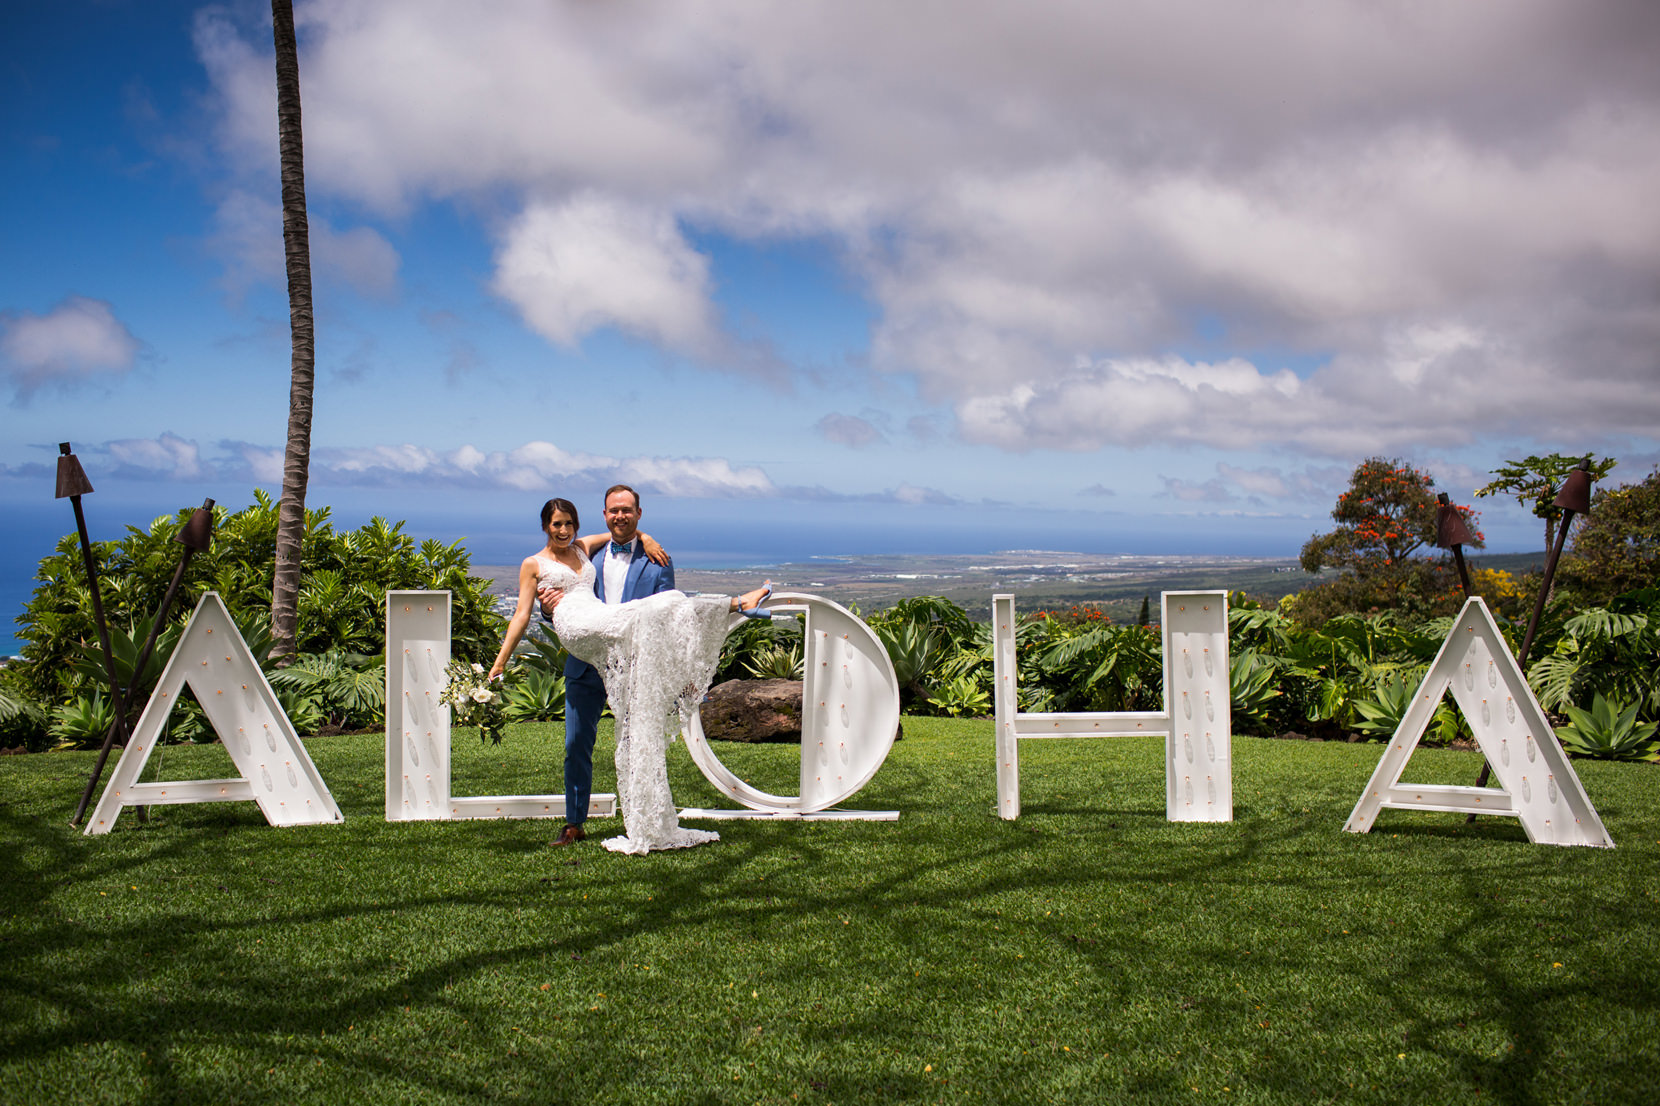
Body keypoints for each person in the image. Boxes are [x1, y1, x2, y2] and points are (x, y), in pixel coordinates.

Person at [489, 488, 770, 854]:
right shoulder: (583, 552)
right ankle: (574, 824)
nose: (564, 530)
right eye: (557, 524)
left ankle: (643, 818)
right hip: (585, 652)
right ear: (602, 515)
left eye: (569, 524)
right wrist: (505, 655)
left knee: (665, 609)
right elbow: (525, 613)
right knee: (576, 744)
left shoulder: (646, 557)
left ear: (638, 513)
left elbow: (666, 620)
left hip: (633, 662)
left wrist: (646, 538)